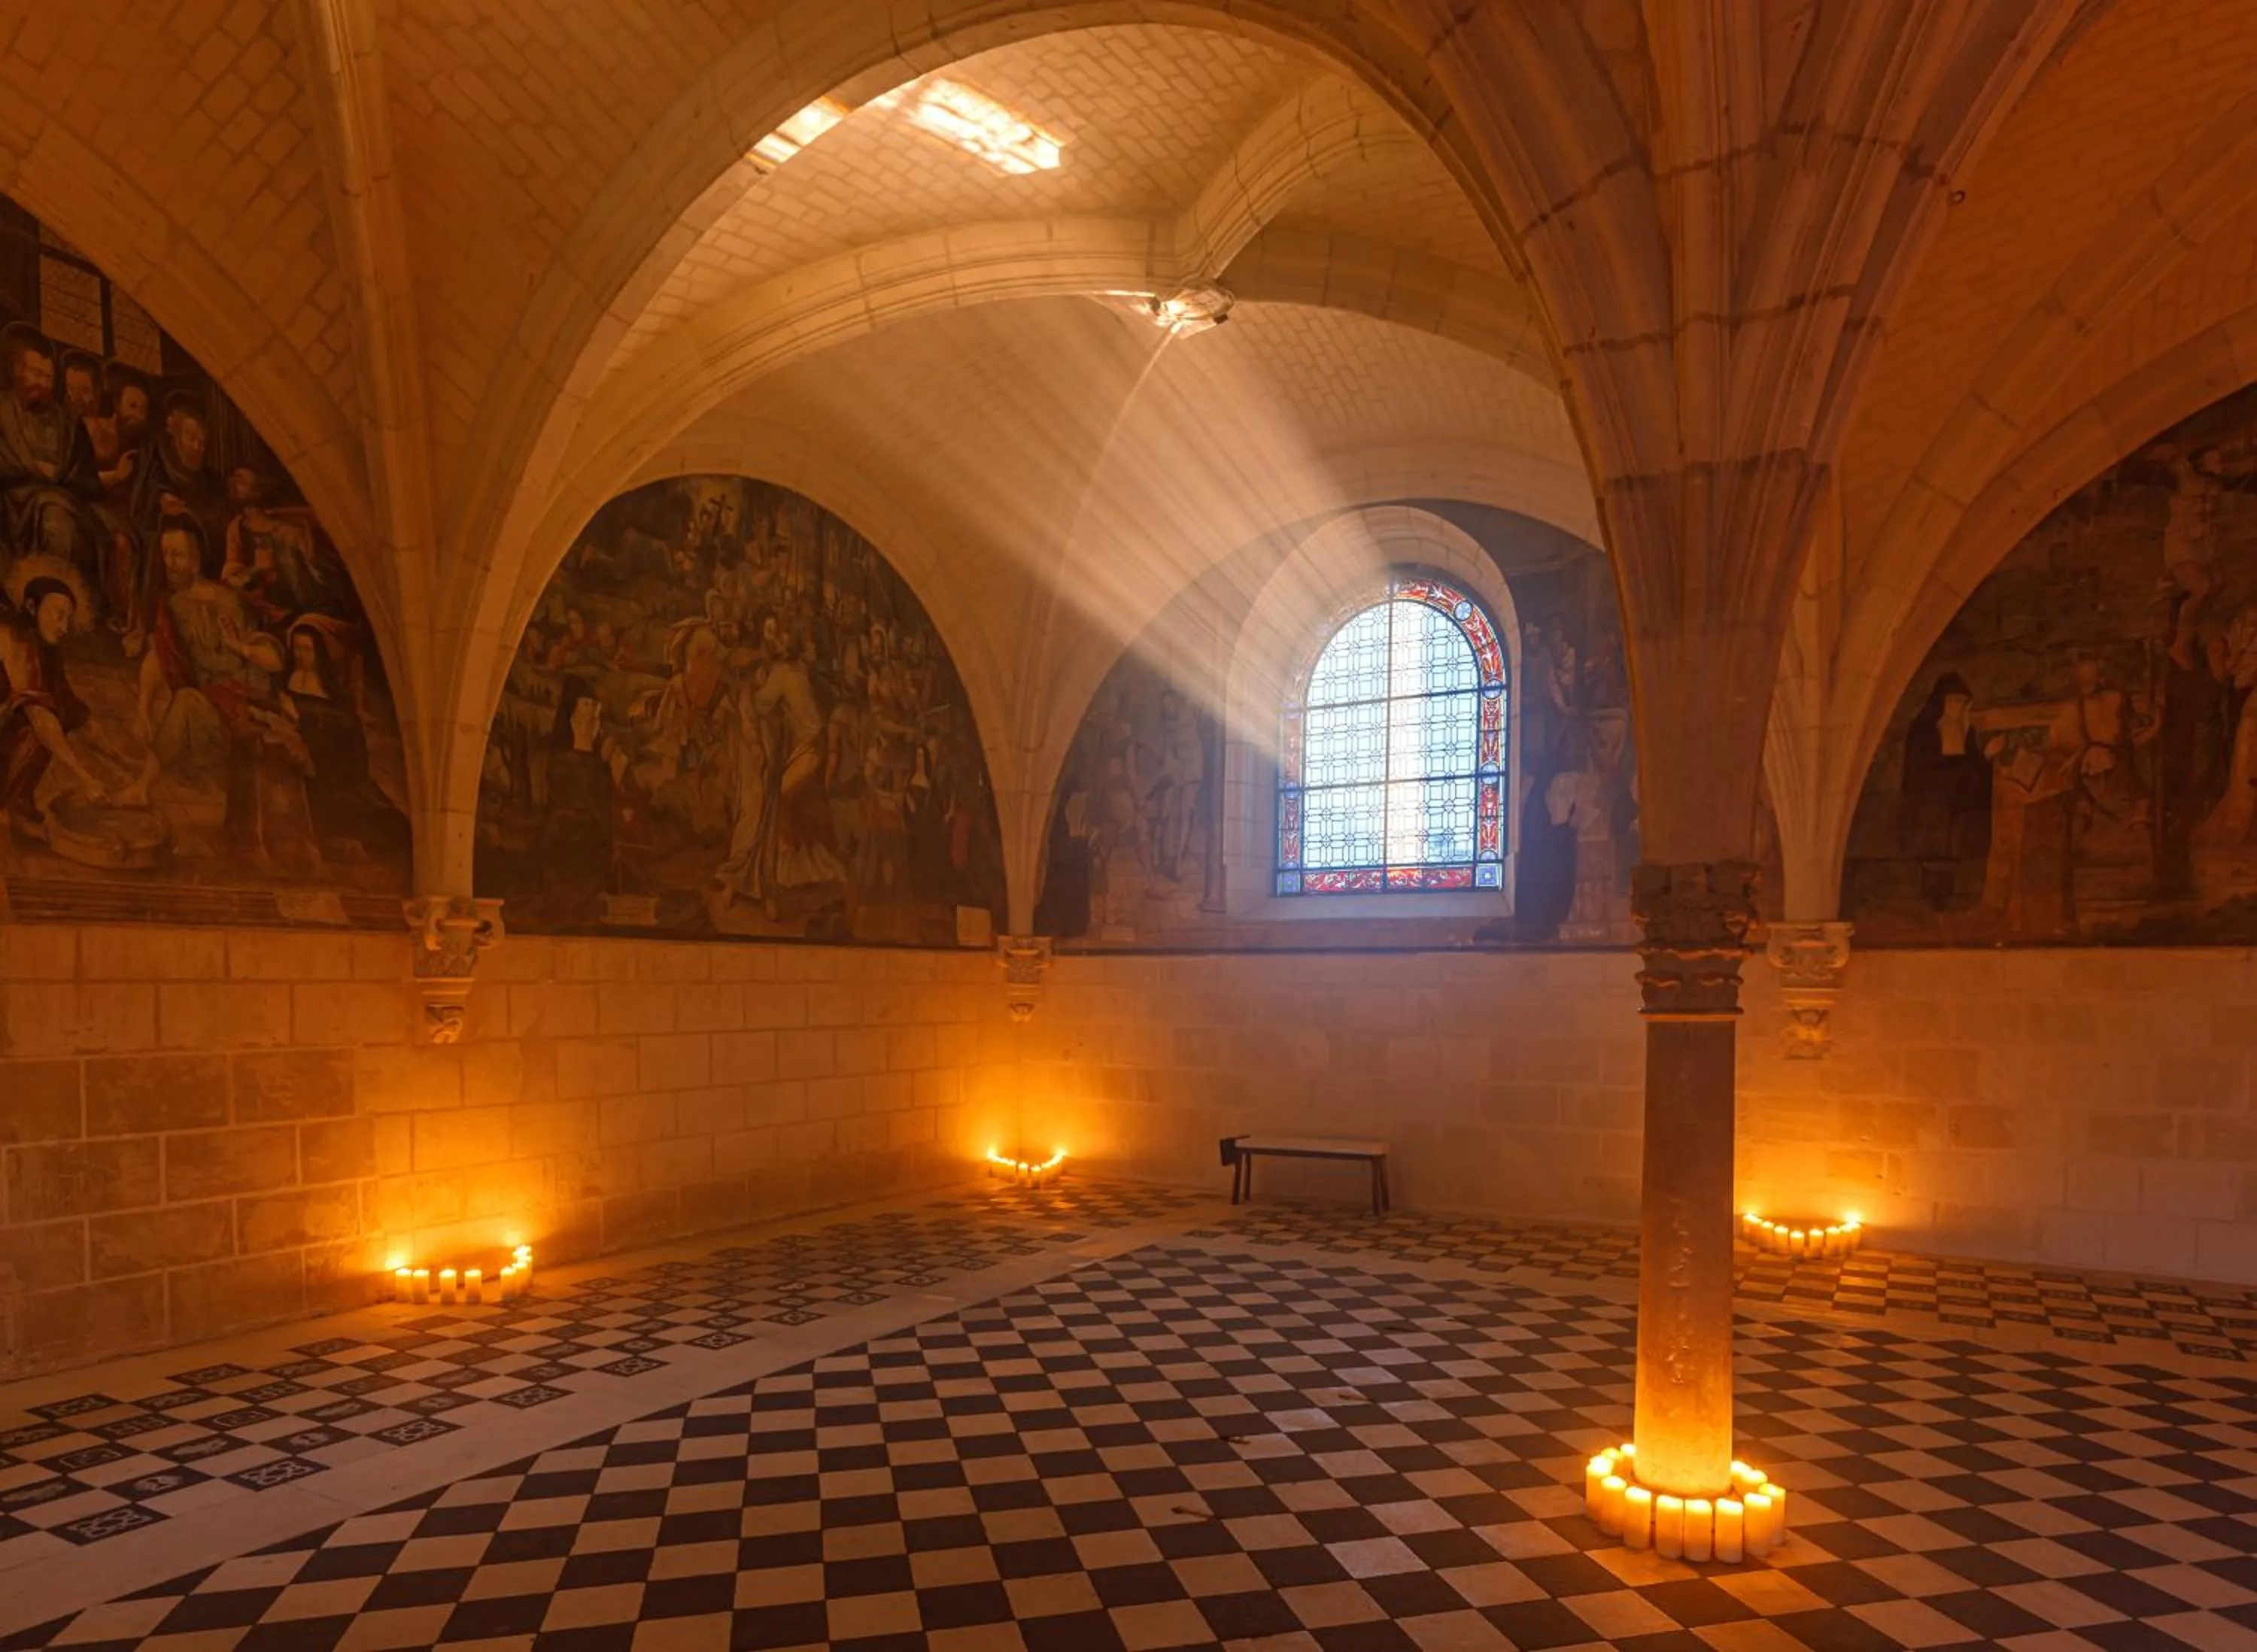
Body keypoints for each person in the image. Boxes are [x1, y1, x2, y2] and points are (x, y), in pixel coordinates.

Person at [134, 518, 319, 873]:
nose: (171, 563)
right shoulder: (170, 605)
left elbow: (273, 657)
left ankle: (142, 786)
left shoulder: (228, 600)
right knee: (188, 700)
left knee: (188, 701)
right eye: (166, 555)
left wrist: (240, 648)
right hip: (212, 706)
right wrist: (142, 707)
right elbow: (159, 654)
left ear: (196, 559)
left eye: (178, 555)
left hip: (244, 706)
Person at [279, 618, 409, 866]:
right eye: (296, 648)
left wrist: (300, 717)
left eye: (306, 649)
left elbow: (346, 723)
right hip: (310, 754)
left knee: (361, 803)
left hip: (335, 758)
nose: (300, 655)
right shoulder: (288, 683)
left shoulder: (330, 688)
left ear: (318, 652)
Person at [0, 575, 105, 843]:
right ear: (33, 608)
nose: (65, 627)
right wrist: (84, 778)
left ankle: (19, 803)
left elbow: (73, 711)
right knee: (36, 729)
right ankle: (11, 808)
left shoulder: (46, 647)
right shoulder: (16, 637)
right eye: (58, 616)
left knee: (59, 716)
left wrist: (123, 761)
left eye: (68, 619)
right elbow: (39, 715)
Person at [0, 328, 103, 580]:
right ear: (17, 371)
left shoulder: (69, 425)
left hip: (63, 505)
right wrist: (33, 469)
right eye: (37, 374)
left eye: (49, 377)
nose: (44, 384)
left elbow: (90, 483)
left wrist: (57, 483)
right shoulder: (2, 411)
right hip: (9, 505)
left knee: (57, 517)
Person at [1899, 671, 1993, 900]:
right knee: (1936, 845)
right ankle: (1935, 891)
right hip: (1929, 804)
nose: (1957, 708)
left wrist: (1985, 760)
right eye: (1953, 702)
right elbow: (1923, 773)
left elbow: (1972, 770)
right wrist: (1974, 763)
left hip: (1957, 806)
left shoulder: (1965, 732)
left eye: (1962, 703)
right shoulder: (1924, 730)